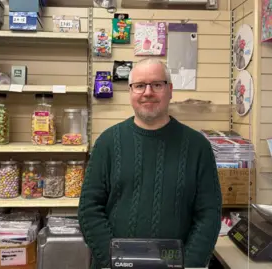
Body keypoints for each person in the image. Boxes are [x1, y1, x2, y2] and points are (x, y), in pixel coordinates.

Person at [78, 58, 222, 269]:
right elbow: (89, 209)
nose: (147, 92)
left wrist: (190, 264)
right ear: (130, 92)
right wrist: (114, 261)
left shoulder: (198, 146)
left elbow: (209, 214)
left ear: (170, 90)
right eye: (139, 86)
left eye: (157, 84)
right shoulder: (108, 142)